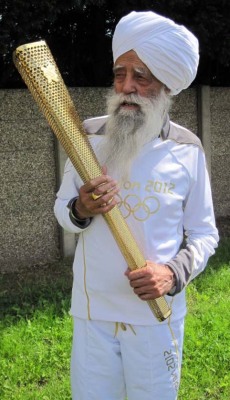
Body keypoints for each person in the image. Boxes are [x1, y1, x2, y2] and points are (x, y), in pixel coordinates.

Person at [54, 10, 219, 400]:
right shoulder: (87, 138)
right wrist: (81, 208)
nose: (126, 86)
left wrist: (172, 273)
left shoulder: (186, 149)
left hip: (155, 316)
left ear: (166, 85)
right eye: (119, 74)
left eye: (141, 76)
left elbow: (205, 233)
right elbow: (62, 211)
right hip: (93, 315)